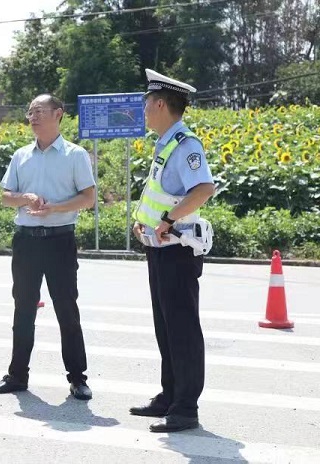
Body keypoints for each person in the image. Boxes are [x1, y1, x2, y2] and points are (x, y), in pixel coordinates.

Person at [0, 94, 96, 400]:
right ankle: (17, 375)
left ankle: (78, 378)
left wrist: (57, 208)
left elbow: (88, 198)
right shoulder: (21, 155)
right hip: (26, 241)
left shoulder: (75, 155)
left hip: (60, 240)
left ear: (58, 114)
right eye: (30, 112)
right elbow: (5, 196)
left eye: (39, 111)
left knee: (66, 310)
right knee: (23, 309)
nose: (32, 117)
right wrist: (25, 198)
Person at [130, 69, 215, 432]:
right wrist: (144, 221)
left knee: (182, 329)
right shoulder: (165, 142)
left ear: (161, 103)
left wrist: (166, 219)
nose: (145, 109)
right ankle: (168, 396)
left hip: (178, 249)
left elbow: (203, 189)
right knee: (166, 327)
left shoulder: (185, 144)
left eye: (147, 103)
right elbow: (160, 192)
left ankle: (185, 408)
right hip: (160, 248)